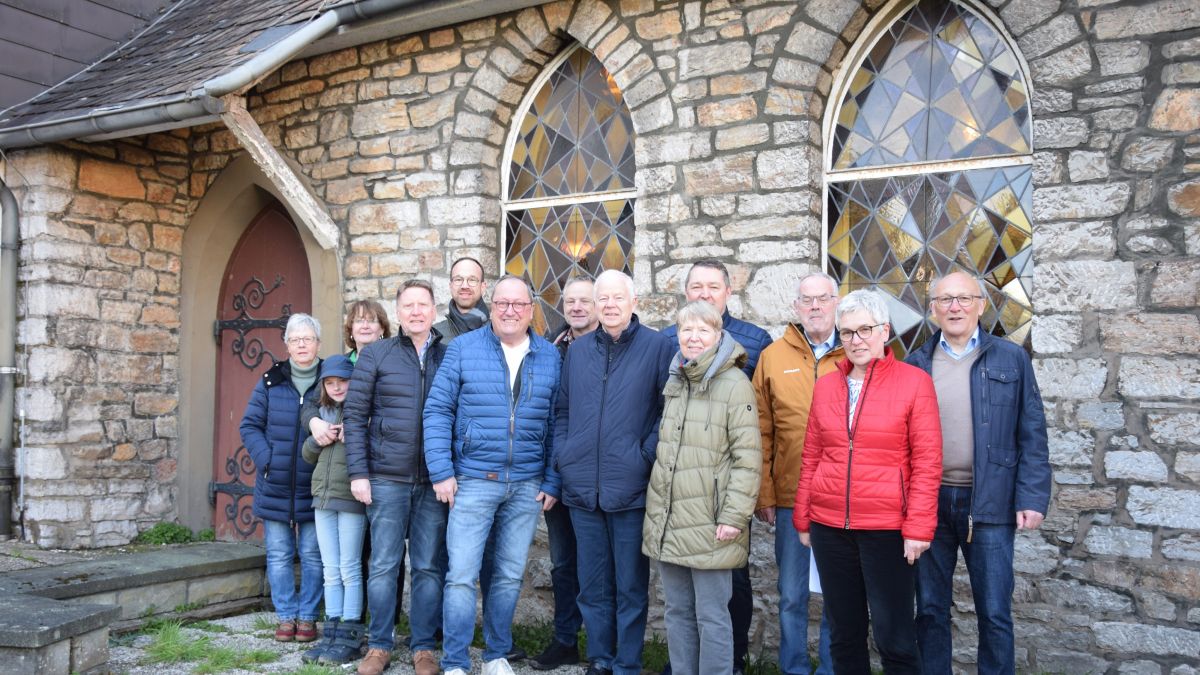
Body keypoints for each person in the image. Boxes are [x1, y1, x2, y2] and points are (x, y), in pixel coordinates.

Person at [906, 272, 1050, 674]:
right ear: (932, 310)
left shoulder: (1010, 358)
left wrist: (1032, 497)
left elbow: (1032, 431)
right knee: (930, 609)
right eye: (945, 300)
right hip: (929, 502)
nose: (955, 307)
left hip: (990, 501)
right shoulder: (915, 364)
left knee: (994, 610)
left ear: (981, 305)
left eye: (964, 299)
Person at [795, 289, 942, 674]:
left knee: (895, 637)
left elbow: (927, 461)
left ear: (884, 331)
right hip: (830, 528)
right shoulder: (827, 385)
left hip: (887, 528)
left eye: (865, 330)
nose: (856, 341)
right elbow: (812, 454)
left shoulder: (914, 383)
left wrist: (919, 527)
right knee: (844, 634)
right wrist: (803, 518)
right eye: (847, 333)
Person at [424, 275, 561, 675]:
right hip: (471, 480)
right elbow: (437, 411)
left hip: (527, 483)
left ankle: (496, 654)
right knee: (462, 575)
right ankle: (454, 661)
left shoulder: (549, 355)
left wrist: (552, 479)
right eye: (502, 303)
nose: (510, 311)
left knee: (507, 575)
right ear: (491, 305)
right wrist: (441, 471)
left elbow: (557, 423)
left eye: (519, 304)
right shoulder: (463, 349)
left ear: (531, 310)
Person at [554, 270, 675, 675]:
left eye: (616, 298)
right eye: (601, 298)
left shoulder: (658, 347)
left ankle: (627, 662)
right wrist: (565, 455)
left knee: (629, 587)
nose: (608, 305)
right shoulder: (579, 350)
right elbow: (563, 411)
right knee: (592, 586)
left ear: (633, 301)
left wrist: (643, 456)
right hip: (582, 488)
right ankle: (600, 659)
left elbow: (667, 413)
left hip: (631, 488)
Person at [661, 259, 771, 673]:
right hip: (674, 515)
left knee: (714, 611)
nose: (693, 337)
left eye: (703, 330)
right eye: (686, 330)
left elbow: (747, 454)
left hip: (713, 516)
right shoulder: (676, 378)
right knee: (678, 610)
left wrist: (734, 514)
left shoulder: (735, 380)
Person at [340, 279, 449, 675]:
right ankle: (379, 645)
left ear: (434, 311)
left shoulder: (449, 356)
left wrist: (449, 472)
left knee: (428, 567)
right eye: (408, 306)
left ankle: (423, 647)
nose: (416, 311)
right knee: (384, 564)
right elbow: (353, 416)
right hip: (385, 477)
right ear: (399, 313)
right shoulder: (377, 355)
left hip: (433, 480)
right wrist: (359, 473)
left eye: (423, 305)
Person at [752, 272, 840, 675]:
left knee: (840, 594)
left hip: (844, 499)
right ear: (796, 308)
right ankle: (795, 668)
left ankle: (832, 668)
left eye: (823, 298)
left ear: (836, 302)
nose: (816, 306)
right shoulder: (774, 356)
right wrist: (764, 494)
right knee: (791, 594)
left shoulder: (856, 351)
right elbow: (762, 431)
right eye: (807, 300)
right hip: (790, 497)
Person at [239, 313, 325, 644]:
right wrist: (267, 460)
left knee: (312, 554)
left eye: (308, 339)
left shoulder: (328, 380)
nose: (302, 345)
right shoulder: (270, 381)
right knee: (278, 554)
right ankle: (286, 616)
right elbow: (249, 425)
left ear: (318, 343)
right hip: (274, 483)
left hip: (314, 484)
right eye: (295, 339)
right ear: (286, 344)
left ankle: (307, 617)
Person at [530, 276, 597, 670]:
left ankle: (605, 645)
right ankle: (565, 639)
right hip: (557, 473)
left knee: (599, 565)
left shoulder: (611, 346)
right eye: (569, 301)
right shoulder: (550, 348)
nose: (575, 307)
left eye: (583, 301)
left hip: (598, 476)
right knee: (563, 563)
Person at [300, 354, 366, 665]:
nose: (337, 387)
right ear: (324, 386)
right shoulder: (323, 414)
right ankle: (332, 632)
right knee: (330, 569)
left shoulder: (362, 412)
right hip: (322, 499)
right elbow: (307, 455)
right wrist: (319, 438)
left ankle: (351, 633)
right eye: (330, 382)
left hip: (350, 500)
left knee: (349, 568)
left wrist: (350, 436)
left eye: (342, 381)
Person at [433, 256, 489, 342]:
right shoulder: (434, 335)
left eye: (472, 280)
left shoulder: (498, 333)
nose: (465, 286)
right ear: (450, 286)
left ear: (483, 287)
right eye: (458, 279)